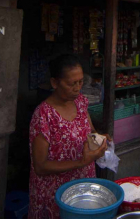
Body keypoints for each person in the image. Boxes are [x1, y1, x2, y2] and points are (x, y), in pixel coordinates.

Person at [29, 54, 108, 219]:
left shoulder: (80, 102)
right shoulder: (43, 115)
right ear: (54, 83)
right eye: (72, 83)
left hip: (83, 187)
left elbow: (90, 131)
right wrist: (81, 162)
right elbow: (40, 166)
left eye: (80, 82)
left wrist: (99, 139)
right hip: (55, 195)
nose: (77, 88)